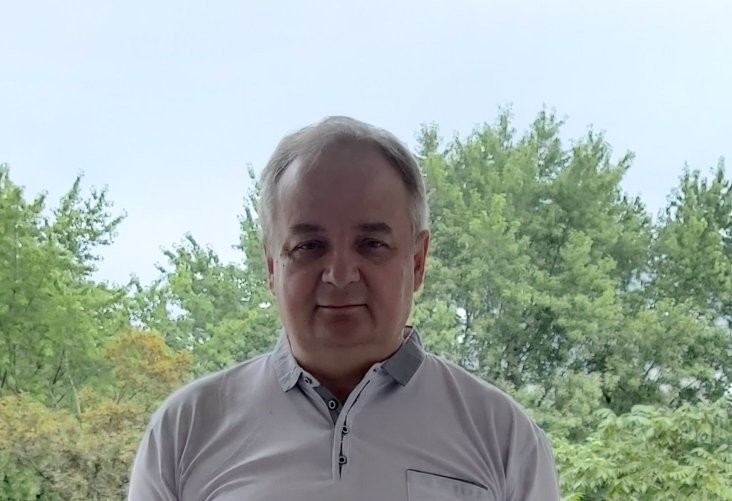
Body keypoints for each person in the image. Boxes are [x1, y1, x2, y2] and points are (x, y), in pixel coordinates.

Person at [128, 116, 561, 500]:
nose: (339, 274)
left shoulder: (503, 438)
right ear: (272, 266)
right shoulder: (186, 430)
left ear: (417, 261)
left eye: (371, 244)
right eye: (309, 246)